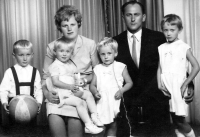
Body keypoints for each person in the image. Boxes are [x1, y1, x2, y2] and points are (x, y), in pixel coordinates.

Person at [113, 1, 194, 137]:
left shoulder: (159, 37)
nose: (133, 19)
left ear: (143, 17)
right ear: (123, 17)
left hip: (156, 101)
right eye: (129, 15)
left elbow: (176, 62)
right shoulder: (115, 42)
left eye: (137, 15)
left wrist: (189, 84)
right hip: (129, 104)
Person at [42, 5, 99, 137]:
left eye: (72, 24)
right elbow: (45, 76)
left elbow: (97, 72)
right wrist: (47, 94)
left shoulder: (90, 44)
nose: (69, 28)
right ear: (59, 27)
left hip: (79, 93)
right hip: (57, 95)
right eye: (64, 25)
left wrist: (84, 80)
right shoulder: (52, 47)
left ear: (78, 24)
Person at [46, 38, 103, 134]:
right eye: (61, 51)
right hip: (62, 94)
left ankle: (94, 116)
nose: (64, 54)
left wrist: (79, 81)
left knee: (88, 95)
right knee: (79, 102)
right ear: (55, 52)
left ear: (71, 53)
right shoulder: (55, 66)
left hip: (71, 90)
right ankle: (88, 125)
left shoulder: (70, 64)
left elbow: (73, 77)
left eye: (68, 51)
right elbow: (55, 82)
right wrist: (71, 87)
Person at [157, 14, 199, 137]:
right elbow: (160, 67)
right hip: (166, 86)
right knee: (174, 120)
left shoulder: (184, 47)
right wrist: (160, 84)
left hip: (178, 86)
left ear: (179, 30)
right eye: (165, 30)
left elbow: (196, 67)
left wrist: (185, 84)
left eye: (172, 30)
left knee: (180, 120)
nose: (168, 33)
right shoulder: (161, 47)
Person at [90, 37, 133, 137]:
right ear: (99, 55)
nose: (106, 57)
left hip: (114, 99)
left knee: (113, 124)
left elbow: (129, 83)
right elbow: (92, 85)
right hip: (102, 100)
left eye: (109, 53)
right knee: (101, 126)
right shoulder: (98, 68)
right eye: (103, 54)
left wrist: (121, 90)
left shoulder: (120, 66)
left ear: (115, 53)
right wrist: (95, 92)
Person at [0, 40, 43, 116]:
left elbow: (38, 90)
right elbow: (3, 90)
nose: (25, 58)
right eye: (21, 55)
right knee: (14, 128)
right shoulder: (9, 72)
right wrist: (4, 102)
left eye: (28, 54)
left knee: (31, 128)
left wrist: (39, 102)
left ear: (32, 55)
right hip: (13, 106)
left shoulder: (35, 72)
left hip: (31, 106)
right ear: (14, 55)